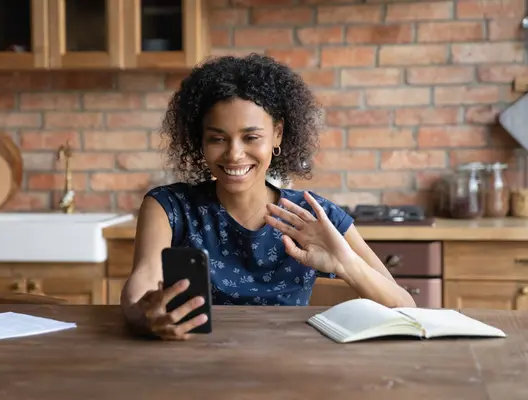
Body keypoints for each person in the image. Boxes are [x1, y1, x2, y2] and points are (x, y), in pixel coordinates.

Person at [121, 54, 416, 340]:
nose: (234, 154)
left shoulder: (313, 215)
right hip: (198, 366)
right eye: (217, 138)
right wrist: (146, 318)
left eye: (251, 137)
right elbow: (137, 295)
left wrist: (345, 264)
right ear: (199, 140)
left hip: (289, 369)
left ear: (277, 134)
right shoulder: (168, 207)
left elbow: (406, 309)